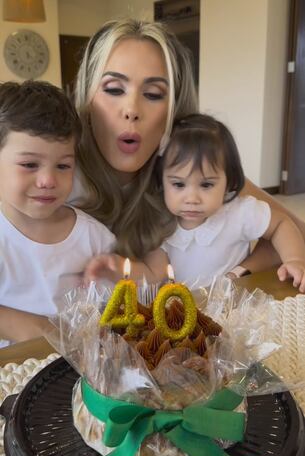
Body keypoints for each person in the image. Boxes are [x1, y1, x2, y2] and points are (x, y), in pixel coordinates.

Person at [1, 18, 305, 342]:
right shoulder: (47, 178)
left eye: (154, 94)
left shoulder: (191, 176)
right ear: (87, 99)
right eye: (114, 89)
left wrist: (237, 273)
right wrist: (42, 332)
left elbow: (289, 232)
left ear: (173, 112)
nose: (131, 109)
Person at [84, 113, 305, 292]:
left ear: (228, 182)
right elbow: (153, 274)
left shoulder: (239, 212)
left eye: (206, 185)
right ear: (162, 182)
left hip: (237, 311)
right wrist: (117, 268)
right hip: (188, 319)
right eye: (179, 185)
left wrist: (294, 259)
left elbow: (280, 224)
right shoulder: (162, 224)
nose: (191, 199)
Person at [0, 80, 116, 346]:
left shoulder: (94, 237)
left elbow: (115, 309)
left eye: (63, 166)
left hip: (78, 368)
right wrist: (41, 328)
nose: (48, 180)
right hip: (13, 374)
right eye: (30, 164)